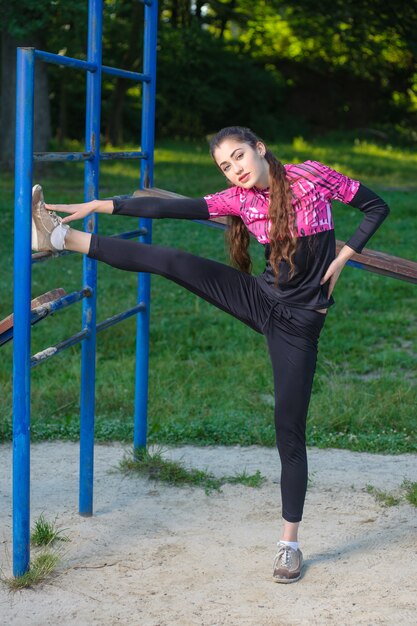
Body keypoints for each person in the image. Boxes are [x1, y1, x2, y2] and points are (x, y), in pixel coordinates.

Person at [31, 126, 390, 583]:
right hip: (260, 297)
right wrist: (104, 205)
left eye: (239, 156)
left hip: (299, 326)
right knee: (174, 261)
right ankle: (59, 238)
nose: (235, 169)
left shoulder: (312, 177)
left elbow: (376, 205)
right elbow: (173, 208)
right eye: (225, 165)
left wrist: (343, 258)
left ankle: (289, 544)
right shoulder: (237, 200)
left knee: (289, 430)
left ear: (260, 148)